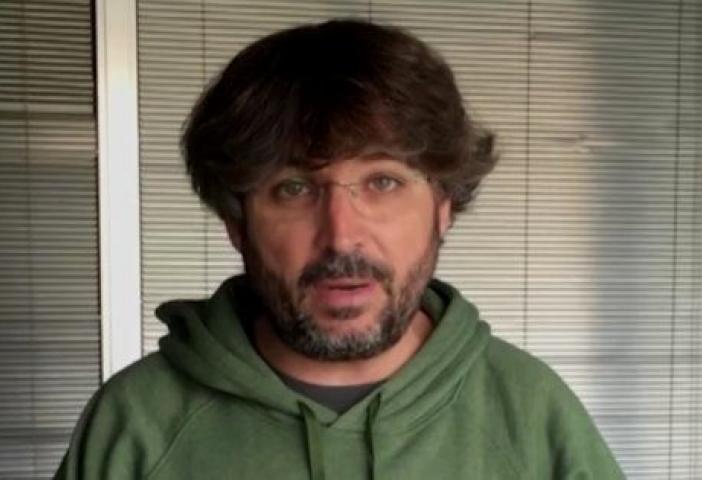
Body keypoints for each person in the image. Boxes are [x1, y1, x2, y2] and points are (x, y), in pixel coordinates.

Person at [55, 19, 624, 479]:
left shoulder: (533, 416)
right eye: (293, 188)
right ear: (236, 222)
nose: (341, 235)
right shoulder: (135, 425)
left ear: (443, 206)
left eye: (383, 181)